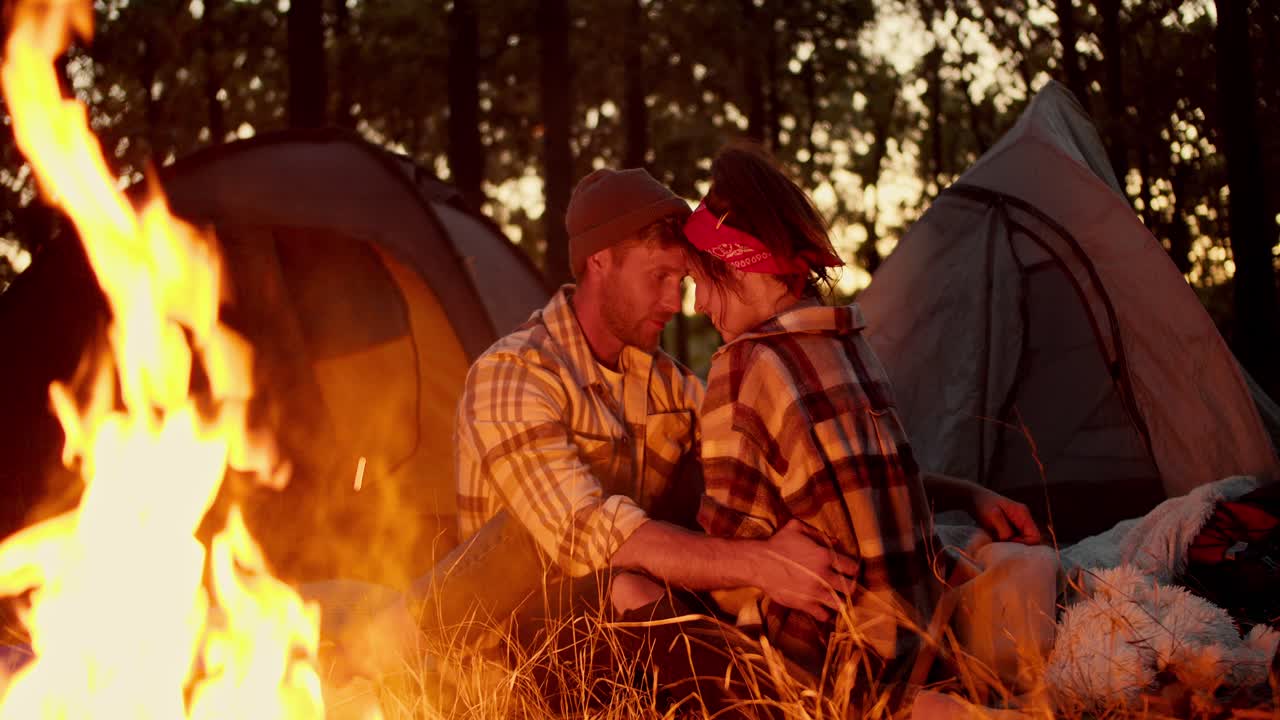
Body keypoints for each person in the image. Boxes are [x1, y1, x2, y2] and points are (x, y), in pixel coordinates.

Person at [680, 143, 1050, 700]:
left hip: (823, 670)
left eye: (700, 280)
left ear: (737, 262)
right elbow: (860, 484)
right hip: (919, 645)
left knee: (637, 598)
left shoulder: (742, 367)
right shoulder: (851, 344)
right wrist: (968, 494)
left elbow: (730, 559)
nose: (698, 304)